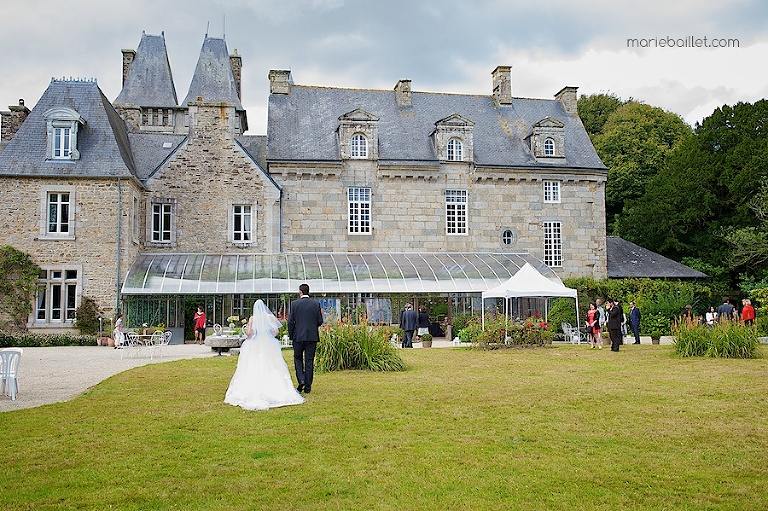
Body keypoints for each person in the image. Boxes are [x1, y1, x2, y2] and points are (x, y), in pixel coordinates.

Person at [224, 300, 305, 411]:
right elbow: (276, 332)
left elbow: (249, 333)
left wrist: (254, 335)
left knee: (254, 364)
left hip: (256, 344)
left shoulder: (253, 318)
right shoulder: (270, 317)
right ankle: (276, 388)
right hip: (269, 344)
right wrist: (268, 335)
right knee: (272, 365)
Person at [288, 283, 323, 394]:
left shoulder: (294, 304)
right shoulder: (315, 304)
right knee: (309, 361)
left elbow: (290, 322)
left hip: (298, 336)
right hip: (312, 336)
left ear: (300, 292)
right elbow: (320, 321)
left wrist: (292, 335)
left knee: (298, 359)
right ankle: (308, 386)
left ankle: (301, 379)